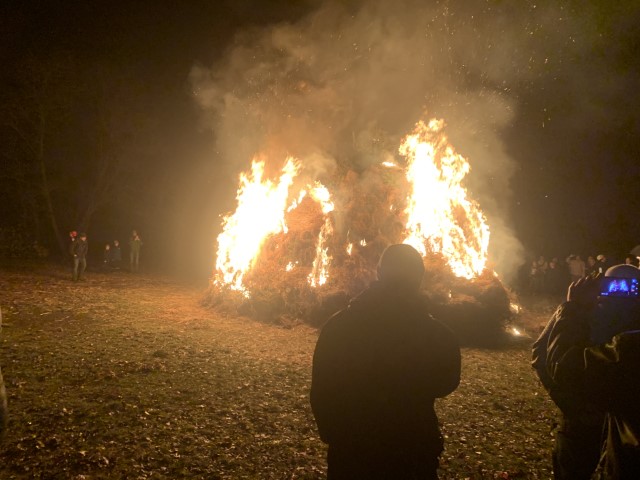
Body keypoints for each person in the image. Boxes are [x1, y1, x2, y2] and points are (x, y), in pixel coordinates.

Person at [310, 244, 461, 479]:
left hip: (353, 451)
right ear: (419, 278)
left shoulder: (339, 326)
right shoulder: (437, 334)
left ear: (379, 273)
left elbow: (322, 388)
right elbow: (447, 382)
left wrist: (334, 435)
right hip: (411, 450)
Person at [545, 265, 640, 478]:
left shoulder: (629, 346)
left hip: (612, 442)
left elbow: (561, 364)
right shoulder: (594, 319)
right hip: (597, 428)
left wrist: (572, 308)